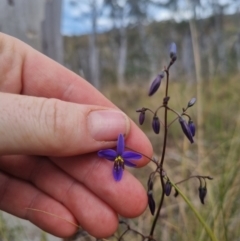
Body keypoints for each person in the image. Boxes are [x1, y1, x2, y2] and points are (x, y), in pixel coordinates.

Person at [0, 33, 153, 238]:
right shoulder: (115, 152)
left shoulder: (118, 155)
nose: (118, 161)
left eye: (120, 160)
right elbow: (112, 153)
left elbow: (120, 155)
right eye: (118, 158)